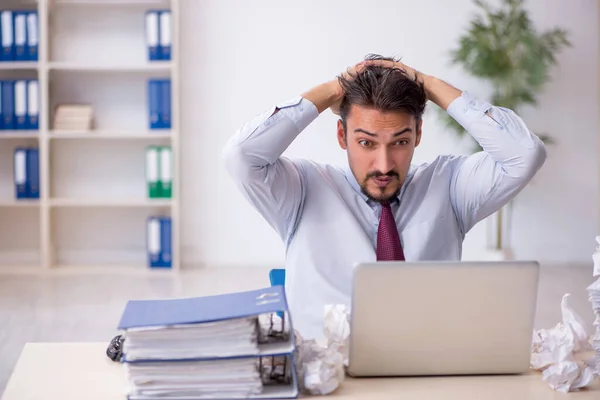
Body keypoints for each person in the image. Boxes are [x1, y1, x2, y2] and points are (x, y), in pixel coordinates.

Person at [221, 54, 547, 340]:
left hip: (424, 368)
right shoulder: (301, 190)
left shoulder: (450, 186)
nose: (384, 165)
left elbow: (525, 154)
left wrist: (430, 85)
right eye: (366, 143)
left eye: (400, 142)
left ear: (418, 134)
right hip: (325, 376)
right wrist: (330, 91)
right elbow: (241, 155)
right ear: (342, 136)